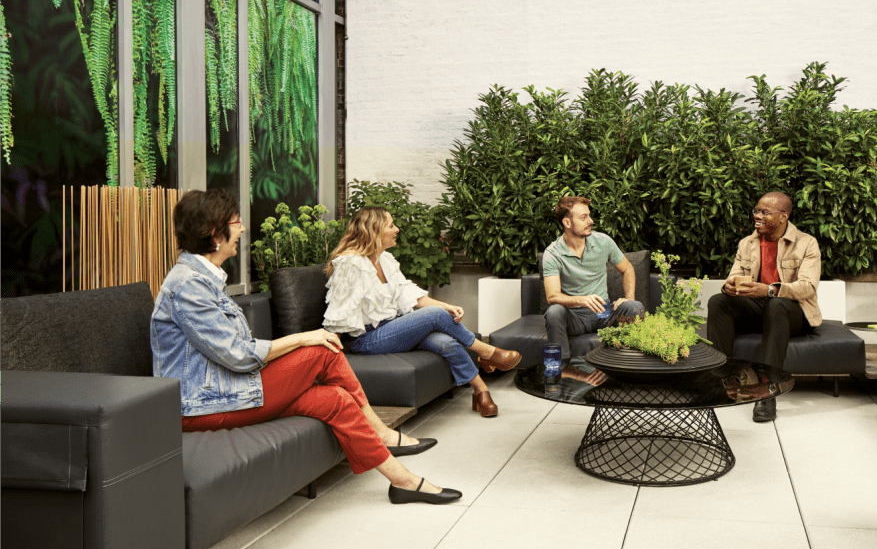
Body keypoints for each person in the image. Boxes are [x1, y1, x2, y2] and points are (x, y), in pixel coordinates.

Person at [151, 190, 459, 505]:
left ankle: (402, 480)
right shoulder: (189, 285)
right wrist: (303, 337)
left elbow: (235, 352)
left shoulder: (204, 279)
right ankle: (380, 433)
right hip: (200, 406)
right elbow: (238, 354)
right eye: (237, 222)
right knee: (322, 350)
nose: (242, 229)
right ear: (215, 233)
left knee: (334, 399)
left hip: (226, 389)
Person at [323, 206, 521, 418]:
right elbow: (339, 311)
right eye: (391, 225)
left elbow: (408, 294)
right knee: (435, 315)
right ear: (375, 230)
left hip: (393, 329)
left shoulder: (385, 260)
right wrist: (330, 357)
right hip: (367, 339)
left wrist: (446, 306)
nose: (397, 229)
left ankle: (481, 390)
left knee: (446, 342)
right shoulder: (351, 264)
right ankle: (487, 353)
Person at [707, 191, 822, 423]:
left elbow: (808, 287)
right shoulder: (747, 243)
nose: (757, 216)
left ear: (783, 217)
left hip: (792, 312)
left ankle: (768, 392)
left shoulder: (807, 243)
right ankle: (723, 381)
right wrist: (729, 287)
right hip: (759, 310)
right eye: (756, 211)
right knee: (718, 301)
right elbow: (734, 275)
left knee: (776, 304)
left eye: (764, 212)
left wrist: (770, 290)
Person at [542, 196, 645, 360]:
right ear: (567, 223)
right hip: (574, 318)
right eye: (583, 217)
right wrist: (582, 300)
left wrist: (628, 298)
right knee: (554, 312)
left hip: (604, 314)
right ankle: (564, 368)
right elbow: (552, 296)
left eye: (589, 215)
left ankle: (631, 364)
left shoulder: (603, 242)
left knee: (634, 306)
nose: (590, 221)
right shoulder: (552, 253)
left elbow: (627, 268)